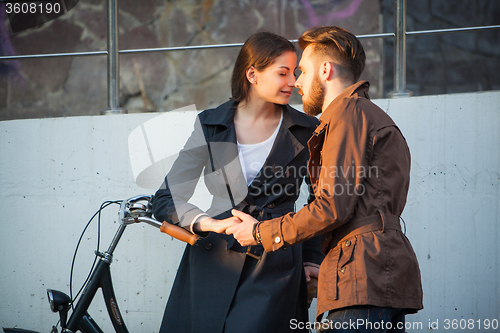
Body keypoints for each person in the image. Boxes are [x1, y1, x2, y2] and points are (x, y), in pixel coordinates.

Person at [226, 26, 424, 332]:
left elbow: (332, 206)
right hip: (370, 273)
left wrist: (260, 233)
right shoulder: (366, 116)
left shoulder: (347, 116)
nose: (298, 82)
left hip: (362, 277)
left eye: (303, 71)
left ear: (326, 70)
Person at [152, 31, 324, 333]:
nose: (293, 82)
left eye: (295, 72)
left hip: (275, 262)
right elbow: (167, 197)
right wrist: (207, 222)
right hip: (212, 259)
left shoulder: (307, 129)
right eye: (282, 73)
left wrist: (312, 258)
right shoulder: (211, 123)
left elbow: (319, 202)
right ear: (252, 73)